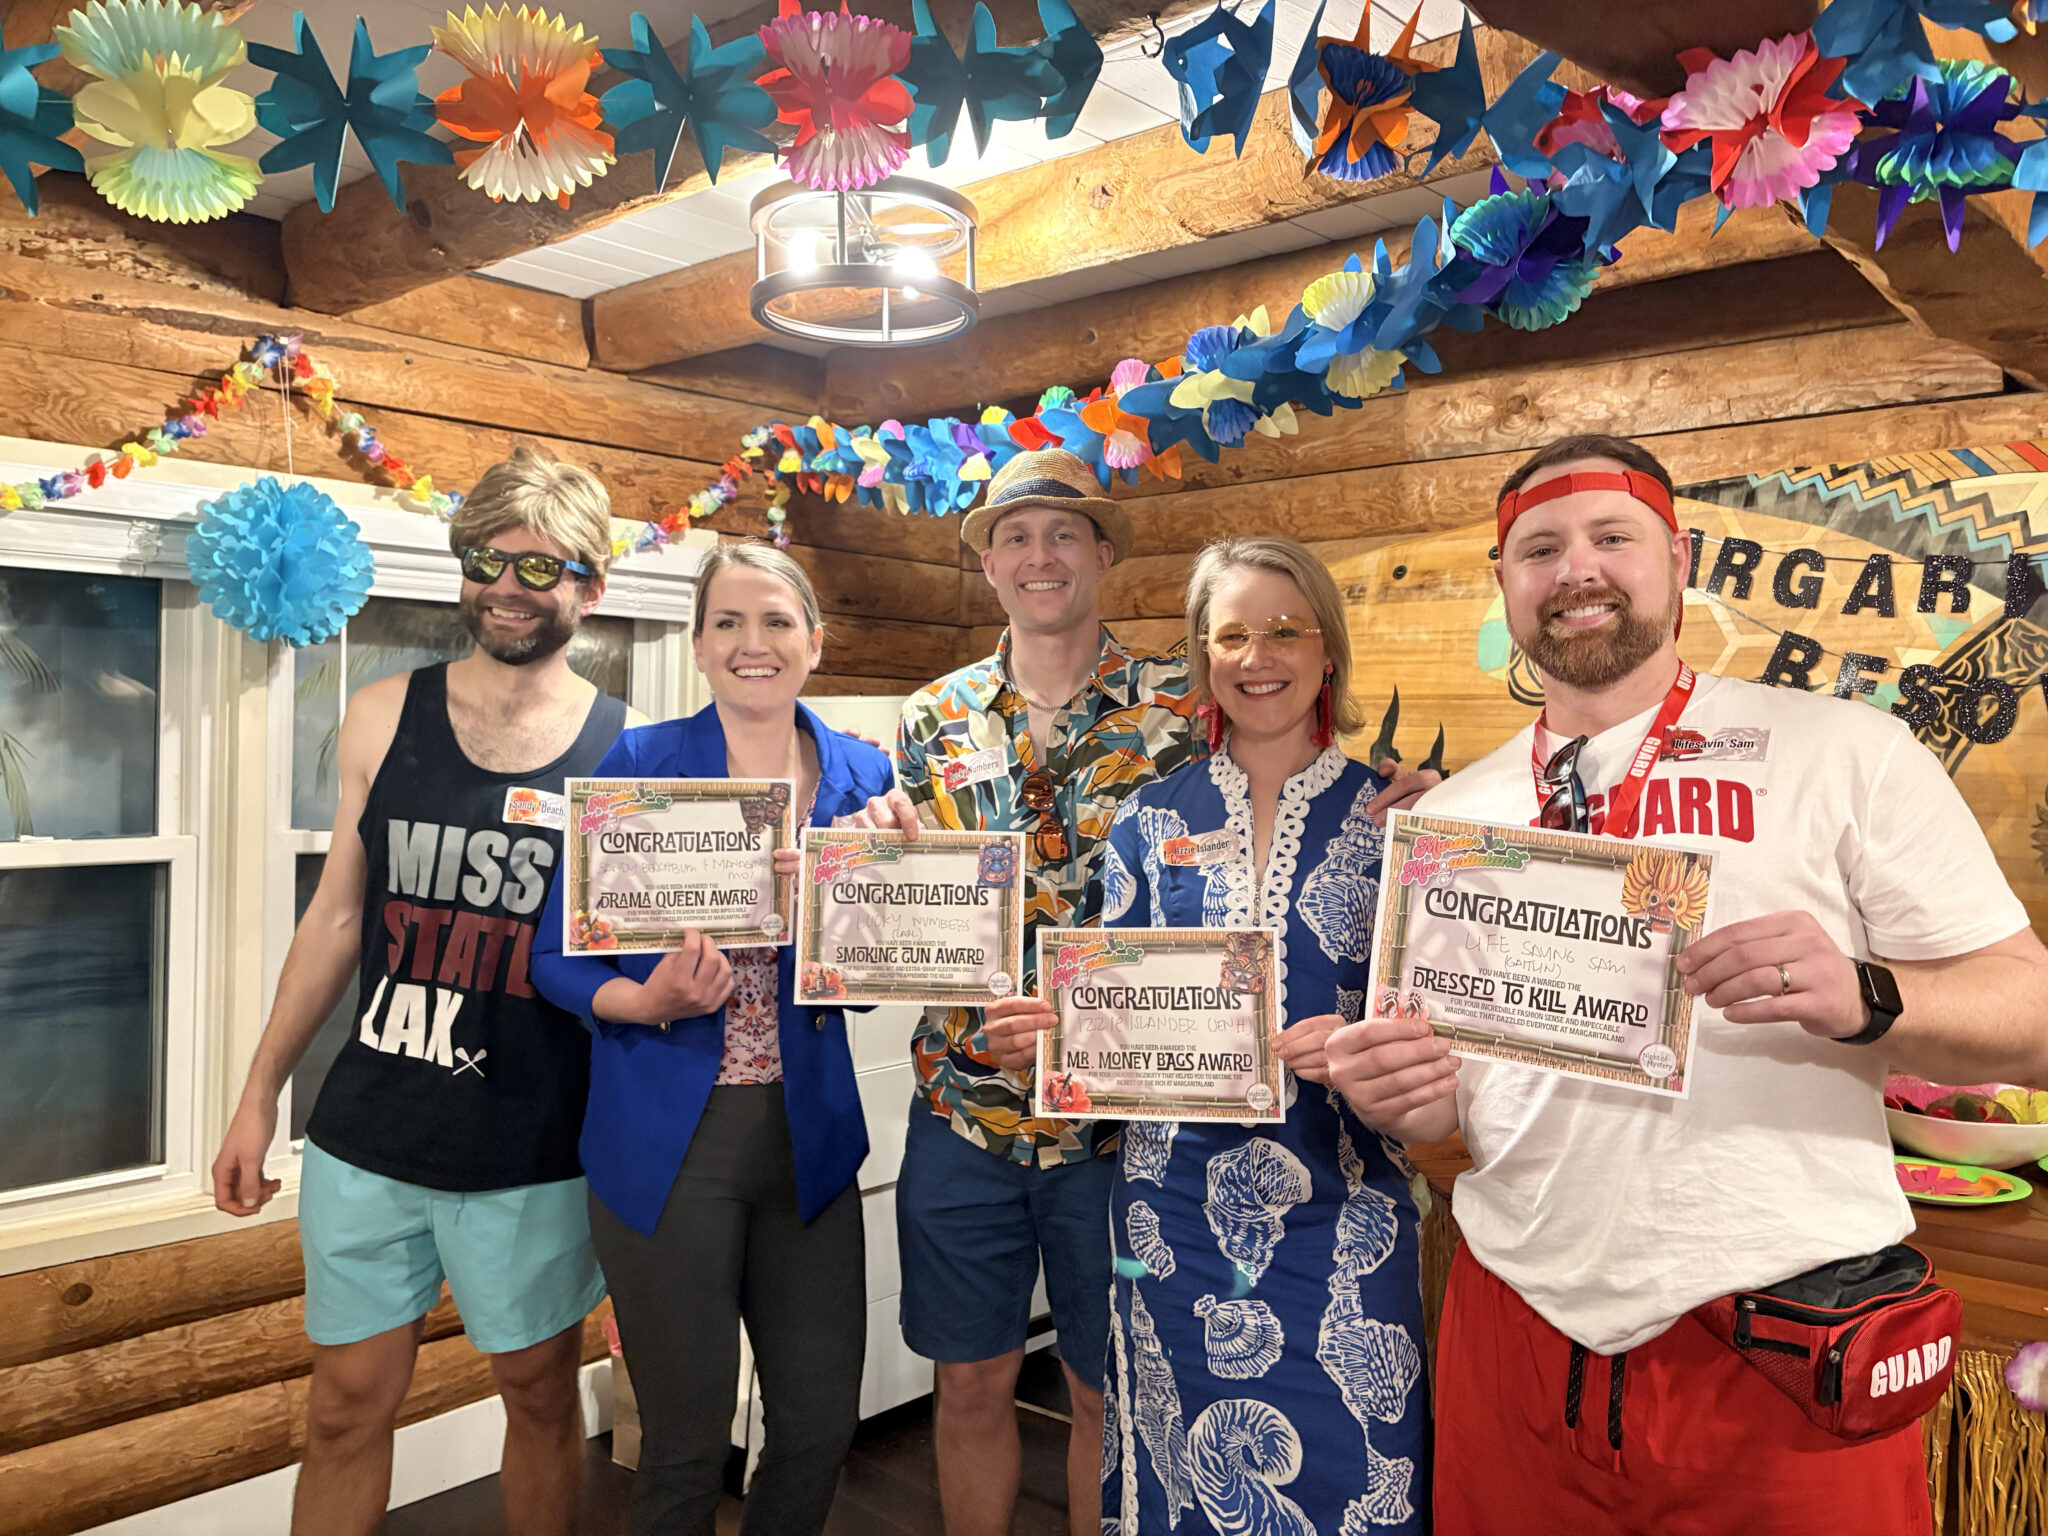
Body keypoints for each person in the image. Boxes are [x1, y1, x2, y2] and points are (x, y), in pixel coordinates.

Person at [1326, 432, 2048, 1535]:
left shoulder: (1844, 750)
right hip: (1515, 1328)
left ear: (1680, 558)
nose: (1577, 570)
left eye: (1611, 537)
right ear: (1504, 583)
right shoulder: (1452, 820)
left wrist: (1866, 997)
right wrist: (1404, 1098)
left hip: (1776, 1341)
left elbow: (2031, 1014)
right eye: (1540, 549)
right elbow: (1459, 1102)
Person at [854, 448, 1440, 1536]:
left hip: (1131, 1141)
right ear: (987, 561)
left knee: (1103, 1393)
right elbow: (899, 887)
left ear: (1103, 554)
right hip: (970, 1104)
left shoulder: (1181, 707)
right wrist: (860, 865)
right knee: (978, 1386)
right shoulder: (932, 717)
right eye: (1015, 535)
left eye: (1062, 533)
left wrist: (1435, 807)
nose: (1255, 657)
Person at [211, 447, 637, 1536]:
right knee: (342, 1411)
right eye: (485, 560)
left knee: (540, 1399)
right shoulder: (380, 714)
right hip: (370, 1131)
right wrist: (259, 1095)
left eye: (538, 566)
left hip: (536, 1143)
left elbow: (634, 970)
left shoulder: (628, 750)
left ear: (591, 586)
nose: (505, 586)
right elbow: (335, 919)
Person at [984, 536, 1431, 1533]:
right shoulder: (1148, 819)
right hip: (1173, 1218)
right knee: (1181, 1480)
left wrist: (1361, 1041)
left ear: (1327, 651)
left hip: (1346, 1214)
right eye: (1231, 636)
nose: (1257, 656)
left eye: (1285, 630)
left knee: (1354, 1475)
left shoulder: (1398, 817)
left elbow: (1437, 1015)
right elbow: (1109, 1006)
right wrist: (1047, 1036)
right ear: (1202, 655)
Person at [530, 541, 892, 1536]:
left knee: (818, 1424)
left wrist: (861, 910)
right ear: (697, 646)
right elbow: (553, 957)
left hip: (808, 1143)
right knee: (685, 1441)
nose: (751, 642)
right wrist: (644, 1000)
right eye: (726, 622)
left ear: (815, 642)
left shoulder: (865, 776)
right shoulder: (639, 764)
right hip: (666, 1142)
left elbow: (879, 981)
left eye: (775, 621)